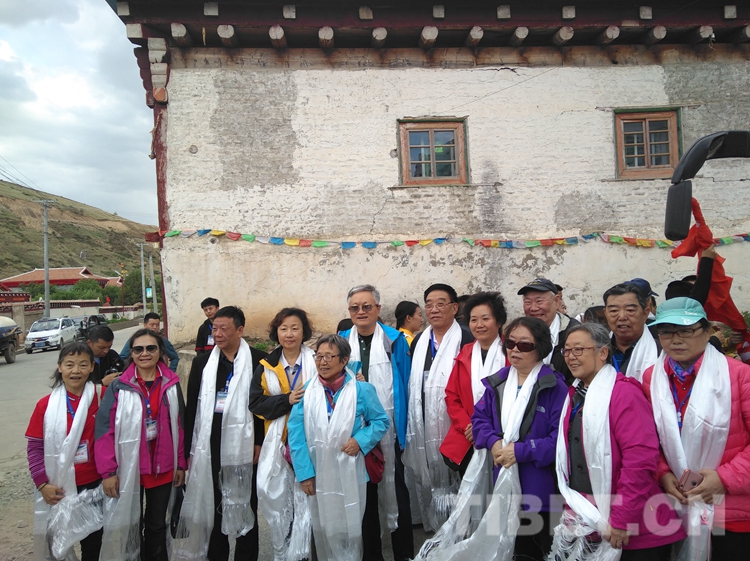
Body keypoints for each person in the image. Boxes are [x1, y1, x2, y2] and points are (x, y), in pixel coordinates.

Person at [549, 322, 685, 561]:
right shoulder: (576, 394)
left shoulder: (624, 393)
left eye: (579, 349)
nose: (570, 357)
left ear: (603, 353)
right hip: (588, 516)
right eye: (567, 350)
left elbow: (639, 460)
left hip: (636, 524)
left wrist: (623, 518)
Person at [642, 298, 750, 558]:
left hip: (730, 510)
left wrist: (724, 479)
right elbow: (647, 438)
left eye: (686, 331)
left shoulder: (739, 375)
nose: (676, 340)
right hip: (674, 504)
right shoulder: (651, 378)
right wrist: (662, 473)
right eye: (666, 332)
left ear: (707, 331)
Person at [470, 316, 568, 560]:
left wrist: (520, 451)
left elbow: (560, 440)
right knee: (507, 550)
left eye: (524, 345)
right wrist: (493, 442)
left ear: (541, 348)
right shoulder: (499, 381)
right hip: (502, 482)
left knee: (536, 551)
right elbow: (479, 419)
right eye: (510, 343)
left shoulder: (553, 387)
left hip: (540, 490)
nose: (515, 350)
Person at [287, 334, 389, 561]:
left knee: (360, 526)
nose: (322, 362)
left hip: (355, 472)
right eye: (318, 356)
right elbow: (296, 434)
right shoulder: (308, 391)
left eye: (329, 357)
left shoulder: (362, 390)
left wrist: (360, 440)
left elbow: (381, 421)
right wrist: (305, 474)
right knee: (325, 526)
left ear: (344, 360)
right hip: (319, 472)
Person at [178, 306, 267, 561]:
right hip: (210, 444)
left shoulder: (259, 360)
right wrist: (188, 451)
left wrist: (259, 442)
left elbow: (261, 406)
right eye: (214, 329)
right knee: (214, 505)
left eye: (223, 329)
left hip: (245, 445)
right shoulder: (202, 363)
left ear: (240, 330)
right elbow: (193, 408)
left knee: (245, 503)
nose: (217, 334)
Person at [95, 328, 186, 561]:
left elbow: (179, 425)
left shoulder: (171, 383)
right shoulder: (119, 386)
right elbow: (105, 430)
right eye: (138, 349)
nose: (144, 353)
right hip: (129, 469)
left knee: (157, 525)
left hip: (163, 468)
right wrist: (108, 472)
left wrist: (180, 464)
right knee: (130, 526)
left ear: (160, 351)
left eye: (151, 348)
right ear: (132, 353)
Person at [340, 285, 413, 561]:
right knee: (365, 496)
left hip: (390, 426)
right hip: (356, 430)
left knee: (396, 488)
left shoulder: (394, 341)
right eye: (355, 307)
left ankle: (403, 554)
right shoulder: (341, 341)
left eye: (366, 306)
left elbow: (406, 384)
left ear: (378, 309)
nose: (361, 312)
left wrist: (404, 429)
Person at [249, 308, 317, 561]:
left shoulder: (317, 360)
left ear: (304, 332)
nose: (289, 334)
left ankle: (307, 552)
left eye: (295, 328)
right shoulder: (266, 367)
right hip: (277, 442)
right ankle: (285, 550)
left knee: (308, 499)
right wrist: (286, 400)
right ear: (276, 332)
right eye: (284, 328)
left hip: (310, 441)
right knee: (278, 497)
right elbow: (255, 403)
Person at [404, 283, 473, 531]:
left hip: (457, 421)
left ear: (454, 308)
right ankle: (435, 527)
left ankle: (461, 529)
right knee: (431, 476)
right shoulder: (419, 340)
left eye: (440, 304)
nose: (434, 309)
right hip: (423, 419)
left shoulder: (467, 338)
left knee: (459, 477)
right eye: (429, 304)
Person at [26, 342, 103, 561]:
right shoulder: (45, 405)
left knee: (94, 544)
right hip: (57, 488)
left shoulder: (102, 397)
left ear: (91, 367)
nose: (76, 371)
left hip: (94, 485)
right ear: (60, 367)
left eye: (83, 365)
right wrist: (42, 484)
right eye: (69, 364)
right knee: (57, 546)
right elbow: (35, 447)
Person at [441, 291, 507, 476]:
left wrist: (486, 430)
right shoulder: (465, 353)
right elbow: (452, 396)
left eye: (485, 319)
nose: (479, 325)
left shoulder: (512, 353)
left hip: (503, 438)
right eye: (473, 320)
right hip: (468, 437)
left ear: (499, 321)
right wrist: (469, 426)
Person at [518, 278, 579, 385]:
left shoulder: (574, 333)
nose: (533, 308)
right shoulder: (519, 333)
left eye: (539, 301)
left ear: (556, 301)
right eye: (528, 302)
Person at [603, 282, 658, 381]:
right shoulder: (596, 351)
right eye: (614, 311)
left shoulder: (661, 353)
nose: (622, 317)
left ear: (645, 313)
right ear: (605, 313)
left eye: (630, 310)